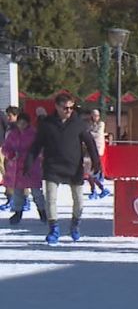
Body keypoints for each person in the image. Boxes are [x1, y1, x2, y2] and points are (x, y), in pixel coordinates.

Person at [28, 94, 102, 245]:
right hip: (52, 166)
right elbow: (36, 145)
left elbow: (90, 143)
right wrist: (29, 162)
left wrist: (96, 162)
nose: (68, 111)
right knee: (51, 199)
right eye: (65, 108)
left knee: (79, 201)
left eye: (71, 107)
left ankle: (75, 225)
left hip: (74, 167)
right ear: (57, 107)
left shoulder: (78, 123)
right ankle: (53, 229)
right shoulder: (47, 124)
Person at [3, 112, 46, 225]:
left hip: (31, 165)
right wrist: (11, 154)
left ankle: (42, 211)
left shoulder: (34, 134)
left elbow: (39, 148)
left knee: (36, 191)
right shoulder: (12, 134)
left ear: (28, 123)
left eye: (24, 123)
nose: (21, 125)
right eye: (20, 123)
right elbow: (6, 147)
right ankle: (18, 212)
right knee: (18, 192)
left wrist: (32, 156)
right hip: (16, 167)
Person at [84, 109, 109, 199]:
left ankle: (99, 189)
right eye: (93, 115)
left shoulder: (101, 124)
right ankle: (99, 189)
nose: (95, 117)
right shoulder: (89, 124)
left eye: (97, 115)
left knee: (91, 172)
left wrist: (88, 133)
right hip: (89, 149)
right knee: (88, 172)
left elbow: (96, 134)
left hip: (97, 150)